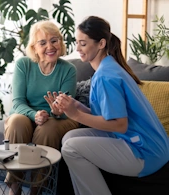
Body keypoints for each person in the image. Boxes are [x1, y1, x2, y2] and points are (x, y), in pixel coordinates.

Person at [54, 16, 169, 195]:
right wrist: (75, 106)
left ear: (101, 44)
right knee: (69, 138)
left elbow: (119, 124)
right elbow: (107, 116)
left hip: (145, 152)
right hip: (133, 140)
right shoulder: (106, 69)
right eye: (77, 43)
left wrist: (75, 115)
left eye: (83, 44)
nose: (77, 49)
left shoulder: (106, 76)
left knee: (71, 148)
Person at [4, 20, 79, 195]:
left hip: (58, 119)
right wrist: (34, 114)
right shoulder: (24, 64)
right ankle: (14, 185)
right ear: (33, 47)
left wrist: (56, 112)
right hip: (28, 114)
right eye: (42, 42)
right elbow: (17, 102)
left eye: (54, 40)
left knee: (47, 128)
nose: (50, 46)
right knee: (16, 122)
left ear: (60, 43)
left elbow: (65, 108)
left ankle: (36, 189)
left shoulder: (69, 70)